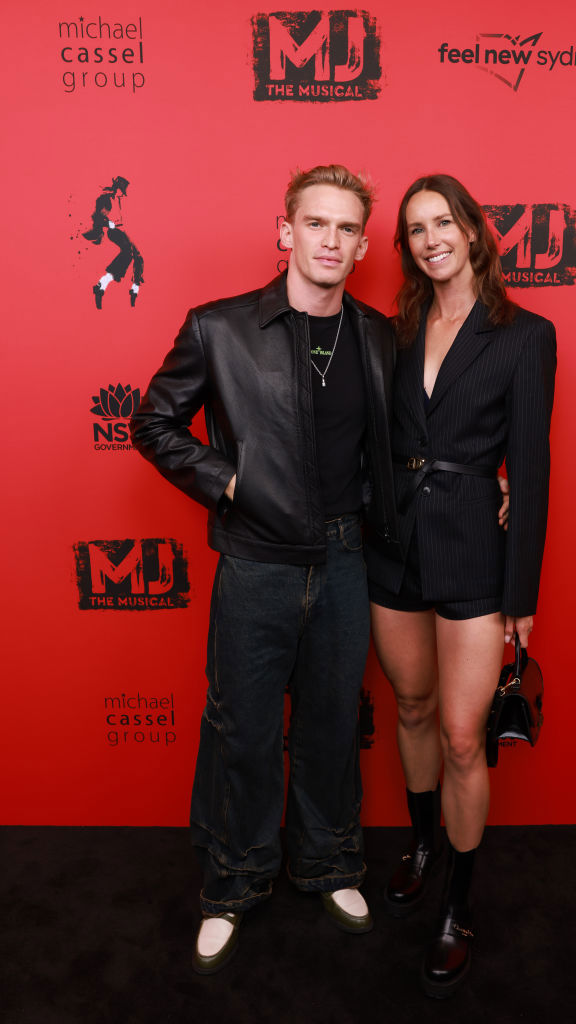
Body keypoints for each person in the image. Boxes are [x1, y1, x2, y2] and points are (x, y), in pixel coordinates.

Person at [130, 164, 400, 974]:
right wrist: (228, 481)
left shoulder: (377, 334)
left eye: (346, 228)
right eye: (315, 223)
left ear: (359, 246)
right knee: (241, 730)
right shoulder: (219, 328)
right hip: (255, 563)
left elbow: (395, 445)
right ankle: (232, 882)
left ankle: (327, 864)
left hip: (348, 557)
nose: (330, 239)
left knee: (326, 726)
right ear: (285, 231)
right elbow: (153, 422)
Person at [365, 174, 557, 998]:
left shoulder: (525, 334)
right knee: (408, 706)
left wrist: (521, 595)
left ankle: (458, 904)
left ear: (475, 231)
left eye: (443, 221)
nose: (429, 238)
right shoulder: (395, 328)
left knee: (461, 736)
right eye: (414, 229)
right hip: (395, 545)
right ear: (405, 247)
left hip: (477, 549)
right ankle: (419, 841)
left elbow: (534, 468)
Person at [83, 175, 144, 308]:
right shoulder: (107, 198)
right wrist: (108, 222)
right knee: (128, 251)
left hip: (123, 230)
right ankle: (102, 283)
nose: (124, 193)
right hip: (114, 230)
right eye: (123, 190)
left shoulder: (118, 199)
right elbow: (98, 215)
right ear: (118, 188)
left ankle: (135, 289)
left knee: (138, 256)